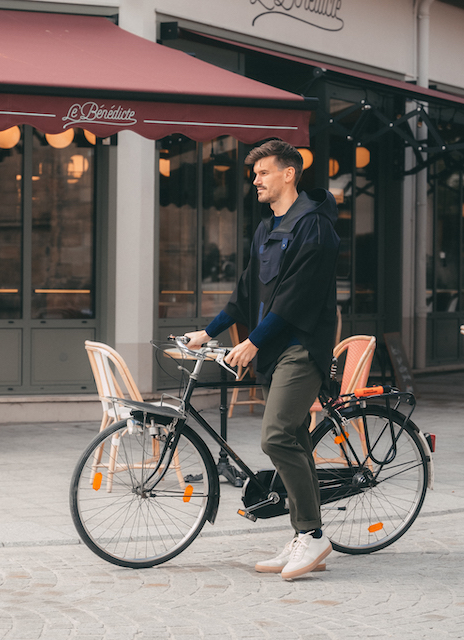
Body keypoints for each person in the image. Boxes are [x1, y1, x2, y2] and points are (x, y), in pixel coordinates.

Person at [184, 139, 339, 580]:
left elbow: (296, 298)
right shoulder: (267, 227)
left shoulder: (315, 226)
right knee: (292, 436)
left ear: (289, 173)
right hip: (274, 348)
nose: (256, 180)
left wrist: (252, 340)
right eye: (254, 175)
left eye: (264, 173)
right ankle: (305, 537)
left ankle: (311, 536)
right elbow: (246, 291)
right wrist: (208, 331)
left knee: (275, 437)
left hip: (303, 347)